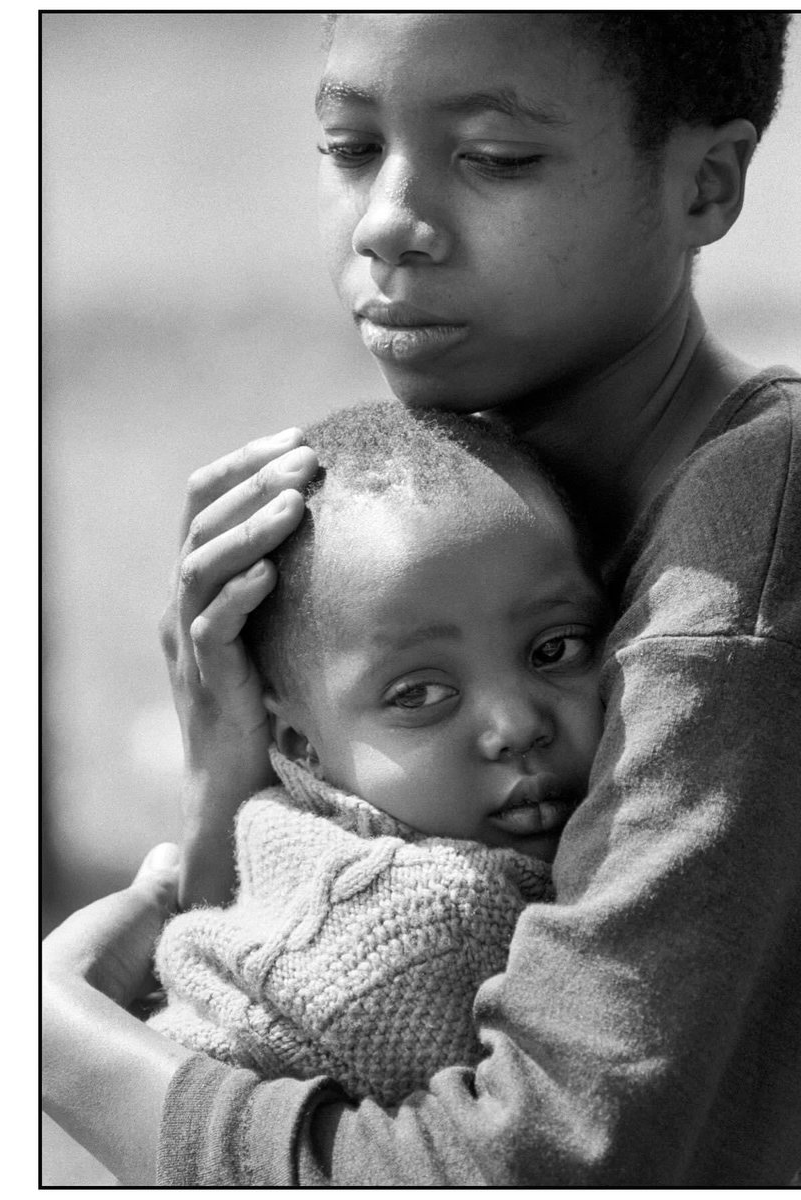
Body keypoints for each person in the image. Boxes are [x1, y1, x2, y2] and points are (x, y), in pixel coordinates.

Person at [42, 11, 801, 1186]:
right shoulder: (472, 508)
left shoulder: (748, 555)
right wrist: (238, 802)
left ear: (707, 182)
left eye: (496, 158)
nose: (389, 224)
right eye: (352, 147)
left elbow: (528, 1162)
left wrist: (55, 1046)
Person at [147, 400, 608, 1106]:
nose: (516, 725)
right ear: (302, 746)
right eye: (419, 694)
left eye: (554, 650)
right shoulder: (417, 924)